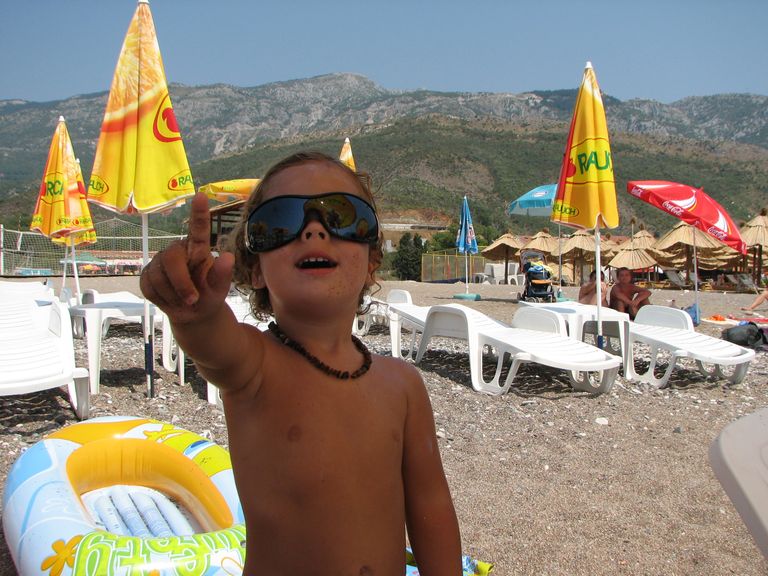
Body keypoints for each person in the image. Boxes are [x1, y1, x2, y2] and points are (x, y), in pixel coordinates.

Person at [140, 152, 461, 575]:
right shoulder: (255, 366)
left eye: (342, 216)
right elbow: (213, 346)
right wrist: (194, 316)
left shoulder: (403, 384)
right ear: (256, 270)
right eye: (281, 220)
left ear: (371, 262)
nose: (313, 229)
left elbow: (430, 505)